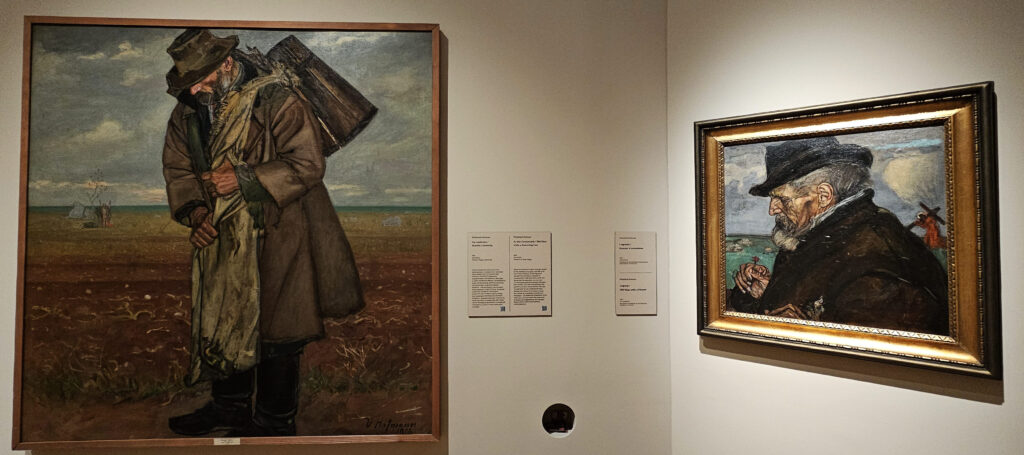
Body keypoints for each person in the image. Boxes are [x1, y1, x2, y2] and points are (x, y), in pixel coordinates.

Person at [161, 29, 364, 437]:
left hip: (280, 230)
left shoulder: (278, 99)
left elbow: (307, 165)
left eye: (200, 78)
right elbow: (178, 168)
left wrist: (242, 178)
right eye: (189, 82)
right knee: (223, 316)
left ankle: (274, 421)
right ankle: (230, 409)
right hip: (222, 235)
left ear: (227, 64)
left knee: (278, 331)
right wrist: (196, 214)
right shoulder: (189, 110)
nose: (195, 89)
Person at [728, 136, 949, 335]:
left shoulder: (873, 253)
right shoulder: (822, 235)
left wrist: (806, 330)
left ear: (824, 196)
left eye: (782, 199)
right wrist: (765, 292)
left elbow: (873, 349)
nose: (772, 209)